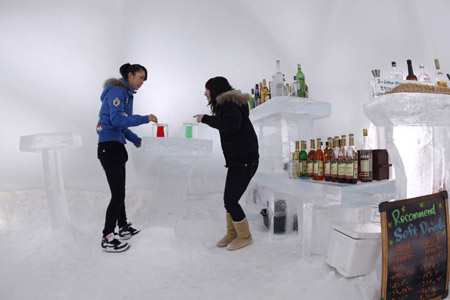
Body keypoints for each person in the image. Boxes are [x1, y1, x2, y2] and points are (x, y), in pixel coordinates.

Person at [97, 63, 158, 253]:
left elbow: (120, 126)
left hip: (115, 146)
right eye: (140, 78)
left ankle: (122, 227)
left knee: (120, 191)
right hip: (109, 147)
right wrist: (145, 118)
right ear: (130, 75)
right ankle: (107, 236)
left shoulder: (125, 93)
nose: (142, 82)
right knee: (118, 195)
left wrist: (135, 140)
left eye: (144, 80)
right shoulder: (118, 91)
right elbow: (116, 121)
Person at [194, 76, 259, 251]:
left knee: (231, 200)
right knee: (228, 200)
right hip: (238, 161)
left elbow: (231, 125)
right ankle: (233, 232)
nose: (205, 93)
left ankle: (245, 236)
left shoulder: (230, 104)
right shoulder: (228, 104)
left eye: (207, 89)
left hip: (246, 160)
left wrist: (205, 119)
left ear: (215, 89)